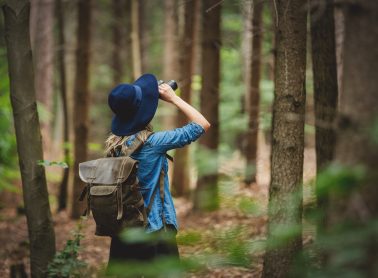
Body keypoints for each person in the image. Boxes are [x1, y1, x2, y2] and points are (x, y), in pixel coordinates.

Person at [105, 74, 210, 272]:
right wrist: (173, 98)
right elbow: (202, 124)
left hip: (122, 232)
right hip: (154, 230)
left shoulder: (114, 146)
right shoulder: (154, 143)